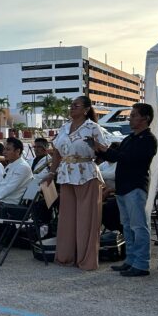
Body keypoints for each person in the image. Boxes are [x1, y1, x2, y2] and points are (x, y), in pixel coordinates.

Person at [94, 103, 158, 277]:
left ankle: (142, 264)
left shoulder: (148, 140)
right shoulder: (130, 138)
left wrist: (106, 150)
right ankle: (130, 260)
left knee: (139, 226)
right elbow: (116, 157)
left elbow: (129, 159)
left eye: (134, 115)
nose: (130, 118)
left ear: (145, 118)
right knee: (128, 226)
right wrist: (99, 149)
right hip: (123, 188)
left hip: (135, 187)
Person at [46, 96, 107, 271]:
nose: (72, 108)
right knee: (67, 219)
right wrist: (51, 173)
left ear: (86, 109)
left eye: (76, 105)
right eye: (71, 105)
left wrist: (92, 158)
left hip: (86, 174)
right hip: (66, 175)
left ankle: (86, 259)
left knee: (86, 219)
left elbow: (104, 151)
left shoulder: (93, 127)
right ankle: (66, 256)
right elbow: (57, 152)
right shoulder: (64, 127)